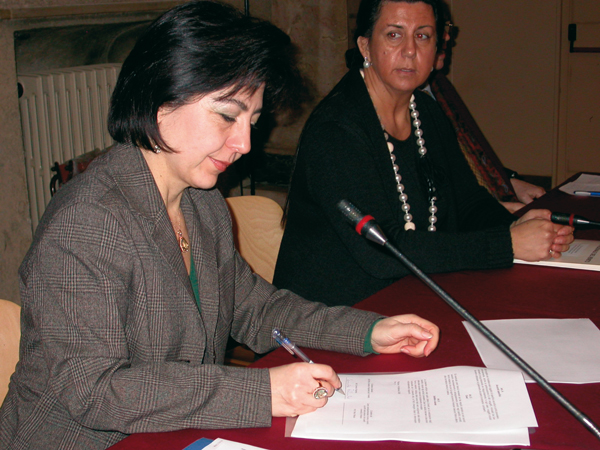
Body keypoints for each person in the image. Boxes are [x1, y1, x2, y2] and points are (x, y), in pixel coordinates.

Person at [0, 2, 440, 449]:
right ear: (160, 97)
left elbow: (258, 310)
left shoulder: (202, 202)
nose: (244, 143)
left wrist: (367, 332)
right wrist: (263, 392)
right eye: (227, 116)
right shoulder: (85, 224)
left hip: (172, 435)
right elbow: (97, 391)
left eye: (252, 120)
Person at [273, 0, 574, 307]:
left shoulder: (427, 114)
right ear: (365, 46)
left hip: (409, 302)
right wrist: (507, 244)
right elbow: (383, 252)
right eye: (393, 35)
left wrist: (517, 227)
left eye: (423, 36)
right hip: (327, 322)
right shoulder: (336, 131)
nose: (409, 50)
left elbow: (467, 203)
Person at [427, 19, 546, 214]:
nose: (447, 36)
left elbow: (468, 157)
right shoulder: (405, 100)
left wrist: (509, 182)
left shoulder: (439, 85)